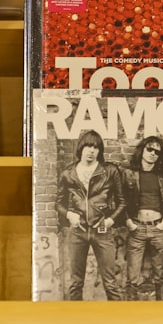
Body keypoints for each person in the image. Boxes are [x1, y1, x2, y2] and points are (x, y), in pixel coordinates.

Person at [55, 129, 125, 301]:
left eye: (95, 147)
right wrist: (69, 215)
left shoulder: (109, 171)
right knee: (76, 282)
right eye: (88, 146)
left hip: (102, 231)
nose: (91, 150)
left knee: (110, 282)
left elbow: (122, 202)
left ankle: (121, 323)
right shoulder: (68, 173)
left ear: (100, 151)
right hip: (78, 232)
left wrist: (110, 220)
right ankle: (77, 322)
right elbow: (58, 203)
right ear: (81, 148)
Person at [120, 135, 163, 300]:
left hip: (158, 228)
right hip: (137, 228)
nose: (153, 153)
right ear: (142, 150)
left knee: (159, 274)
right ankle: (131, 312)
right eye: (149, 149)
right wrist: (128, 221)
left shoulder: (162, 176)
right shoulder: (129, 174)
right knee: (133, 275)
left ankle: (161, 309)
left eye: (157, 151)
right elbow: (121, 199)